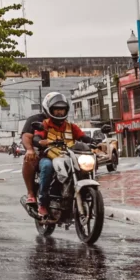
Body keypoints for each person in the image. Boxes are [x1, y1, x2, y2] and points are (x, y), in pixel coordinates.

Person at [21, 91, 93, 219]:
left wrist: (96, 142)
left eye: (62, 109)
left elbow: (83, 137)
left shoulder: (71, 126)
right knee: (47, 167)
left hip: (68, 156)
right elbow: (35, 137)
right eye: (56, 110)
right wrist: (38, 143)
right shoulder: (44, 124)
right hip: (48, 156)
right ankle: (42, 202)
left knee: (83, 166)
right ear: (50, 109)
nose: (59, 112)